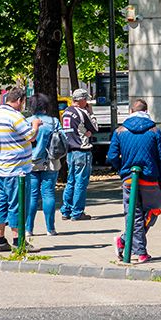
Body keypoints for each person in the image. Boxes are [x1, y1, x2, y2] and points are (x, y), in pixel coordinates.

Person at [107, 99, 161, 264]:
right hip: (150, 179)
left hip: (129, 180)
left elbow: (112, 156)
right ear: (146, 111)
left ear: (130, 111)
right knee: (153, 211)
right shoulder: (154, 130)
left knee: (134, 215)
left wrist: (123, 170)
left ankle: (125, 241)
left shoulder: (120, 131)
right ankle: (140, 252)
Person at [0, 88, 38, 252]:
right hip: (17, 170)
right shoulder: (16, 117)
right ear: (20, 100)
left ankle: (0, 240)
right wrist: (35, 125)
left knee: (0, 204)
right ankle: (19, 241)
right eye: (24, 102)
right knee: (18, 204)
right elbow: (31, 136)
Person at [26, 94, 62, 238]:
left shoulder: (27, 121)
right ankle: (50, 228)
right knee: (48, 194)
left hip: (30, 163)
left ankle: (28, 229)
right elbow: (63, 140)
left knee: (32, 196)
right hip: (50, 162)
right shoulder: (54, 122)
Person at [61, 88, 99, 221]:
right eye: (86, 100)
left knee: (71, 181)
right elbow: (94, 128)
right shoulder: (82, 112)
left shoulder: (66, 112)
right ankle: (77, 212)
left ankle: (66, 210)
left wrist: (85, 131)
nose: (87, 102)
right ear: (81, 100)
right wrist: (91, 113)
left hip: (70, 151)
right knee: (81, 182)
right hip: (82, 151)